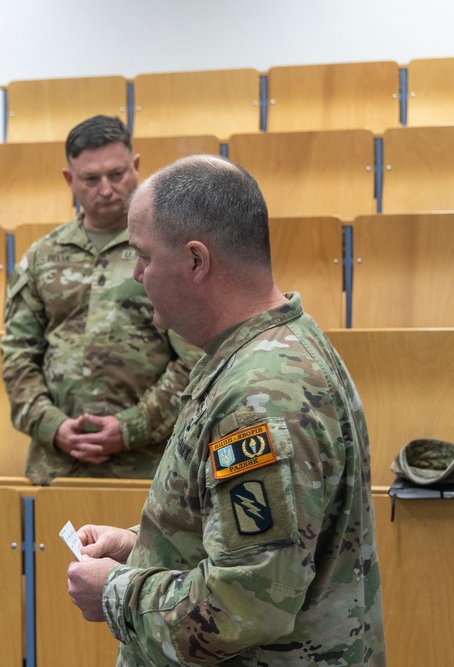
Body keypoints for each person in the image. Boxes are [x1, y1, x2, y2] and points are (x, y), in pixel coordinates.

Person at [66, 155, 385, 665]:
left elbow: (243, 606)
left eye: (143, 255)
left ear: (196, 260)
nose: (137, 273)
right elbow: (256, 546)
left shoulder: (261, 394)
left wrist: (116, 593)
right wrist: (142, 548)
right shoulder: (270, 348)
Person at [1, 115, 201, 485]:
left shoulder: (169, 251)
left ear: (136, 167)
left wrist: (131, 427)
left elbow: (195, 356)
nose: (106, 189)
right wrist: (52, 426)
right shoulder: (41, 256)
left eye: (117, 174)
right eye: (91, 179)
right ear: (69, 179)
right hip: (57, 467)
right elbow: (17, 358)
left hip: (151, 468)